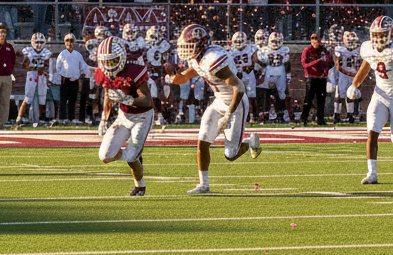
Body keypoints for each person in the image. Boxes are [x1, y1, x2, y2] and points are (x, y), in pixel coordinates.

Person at [166, 23, 262, 194]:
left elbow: (239, 87)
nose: (186, 50)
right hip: (219, 101)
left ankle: (251, 141)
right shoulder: (197, 58)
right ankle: (204, 185)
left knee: (230, 155)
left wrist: (229, 115)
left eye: (189, 46)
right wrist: (171, 76)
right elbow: (186, 76)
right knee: (202, 141)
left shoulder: (213, 61)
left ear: (200, 45)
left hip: (236, 103)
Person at [347, 15, 393, 185]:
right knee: (372, 132)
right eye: (376, 34)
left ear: (391, 33)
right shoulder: (368, 49)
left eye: (382, 34)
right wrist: (354, 85)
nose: (378, 38)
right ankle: (372, 173)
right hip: (379, 94)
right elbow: (365, 68)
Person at [96, 36, 155, 196]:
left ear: (121, 57)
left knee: (131, 156)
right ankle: (133, 155)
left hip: (142, 117)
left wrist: (128, 99)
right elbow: (109, 94)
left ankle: (140, 186)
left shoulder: (133, 70)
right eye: (105, 61)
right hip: (123, 116)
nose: (108, 65)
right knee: (105, 155)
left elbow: (148, 101)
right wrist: (104, 118)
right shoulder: (103, 73)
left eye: (112, 61)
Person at [15, 31, 51, 129]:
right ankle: (20, 117)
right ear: (32, 42)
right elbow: (24, 66)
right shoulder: (28, 51)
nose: (39, 44)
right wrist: (34, 67)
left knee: (42, 97)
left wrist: (39, 68)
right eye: (36, 42)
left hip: (42, 75)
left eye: (40, 42)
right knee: (28, 97)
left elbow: (46, 66)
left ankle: (42, 118)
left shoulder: (46, 52)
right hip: (31, 75)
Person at [53, 32, 89, 125]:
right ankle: (62, 118)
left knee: (73, 100)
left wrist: (83, 74)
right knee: (63, 100)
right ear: (65, 43)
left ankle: (71, 118)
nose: (69, 43)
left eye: (71, 41)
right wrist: (64, 75)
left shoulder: (78, 55)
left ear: (74, 42)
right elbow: (58, 67)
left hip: (75, 81)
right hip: (65, 80)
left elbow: (82, 66)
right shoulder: (62, 54)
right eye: (67, 41)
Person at [300, 32, 333, 126]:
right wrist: (318, 61)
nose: (315, 41)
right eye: (313, 39)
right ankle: (304, 118)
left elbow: (331, 63)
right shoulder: (307, 50)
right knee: (308, 99)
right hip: (311, 77)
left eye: (317, 39)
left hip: (322, 77)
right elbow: (305, 65)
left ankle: (320, 119)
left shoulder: (324, 51)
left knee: (321, 99)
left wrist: (325, 68)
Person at [333, 30, 362, 125]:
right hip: (343, 74)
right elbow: (337, 65)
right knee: (339, 94)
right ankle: (336, 113)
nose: (349, 38)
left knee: (351, 94)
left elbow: (359, 64)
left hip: (353, 74)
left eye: (351, 36)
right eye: (347, 36)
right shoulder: (339, 49)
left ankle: (350, 114)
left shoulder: (358, 49)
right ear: (343, 38)